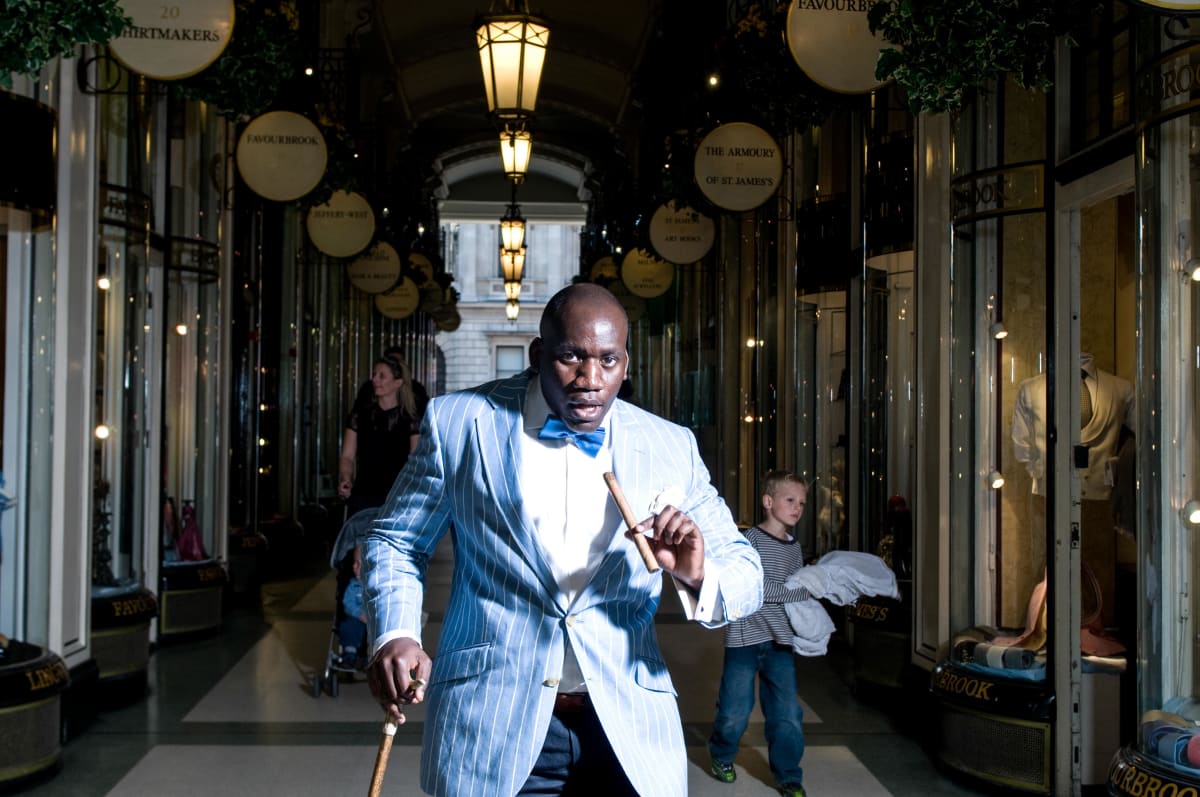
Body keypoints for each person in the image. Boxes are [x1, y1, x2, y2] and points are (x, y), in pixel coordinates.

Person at [362, 283, 764, 797]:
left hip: (626, 730)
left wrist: (697, 571)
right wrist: (397, 633)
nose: (590, 380)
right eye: (571, 357)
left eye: (608, 360)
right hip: (492, 723)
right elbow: (396, 541)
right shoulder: (460, 423)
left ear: (626, 361)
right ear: (538, 354)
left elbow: (747, 574)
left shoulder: (669, 446)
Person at [708, 469, 811, 797]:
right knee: (734, 710)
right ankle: (721, 754)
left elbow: (795, 590)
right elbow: (754, 586)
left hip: (781, 641)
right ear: (769, 502)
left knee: (787, 713)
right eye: (790, 500)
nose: (797, 507)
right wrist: (801, 592)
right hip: (744, 639)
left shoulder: (795, 548)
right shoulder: (750, 540)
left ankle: (789, 775)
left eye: (802, 503)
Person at [337, 354, 421, 515]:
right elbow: (347, 456)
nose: (375, 380)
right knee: (361, 539)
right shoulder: (360, 415)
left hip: (398, 497)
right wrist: (346, 478)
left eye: (382, 376)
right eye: (374, 374)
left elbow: (415, 461)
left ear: (398, 382)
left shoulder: (410, 419)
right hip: (363, 494)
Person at [351, 346, 430, 421]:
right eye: (391, 361)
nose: (375, 380)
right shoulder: (367, 389)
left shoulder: (416, 390)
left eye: (397, 363)